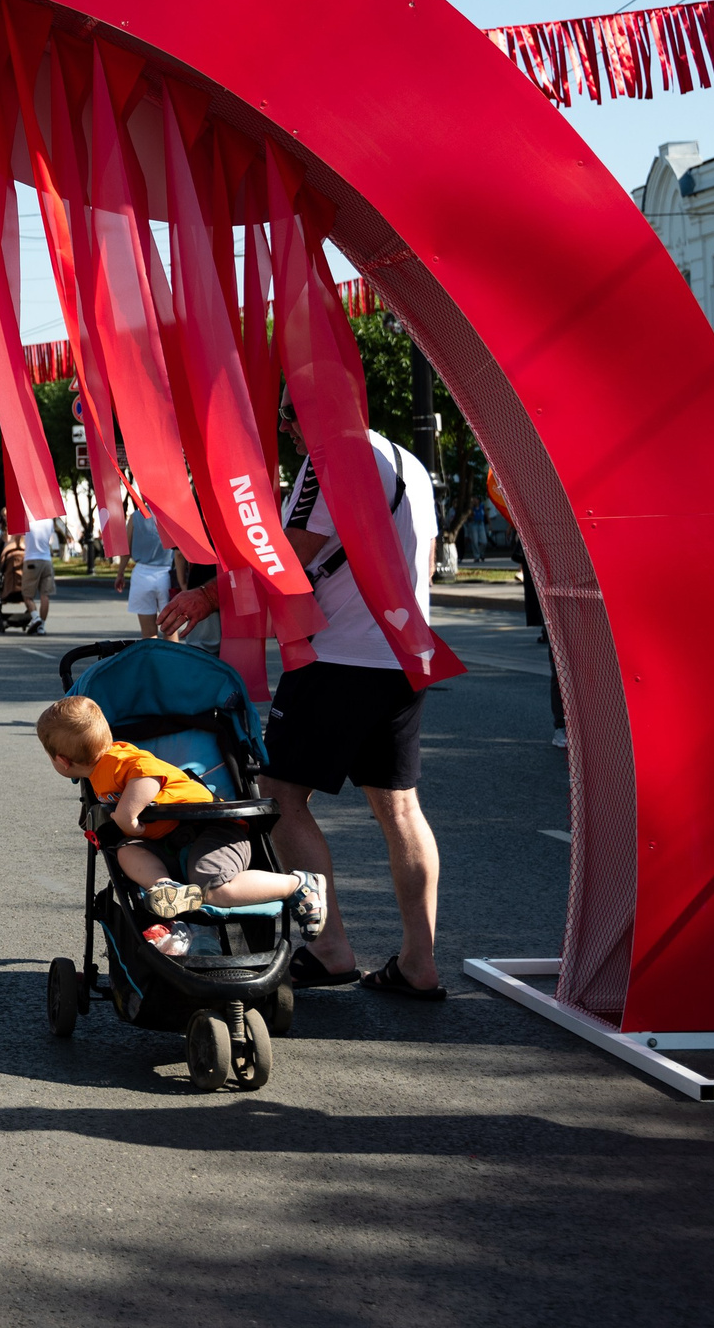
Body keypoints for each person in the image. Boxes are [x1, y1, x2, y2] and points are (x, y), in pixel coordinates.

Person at [159, 412, 442, 998]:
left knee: (282, 796)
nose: (288, 425)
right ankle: (420, 962)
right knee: (401, 810)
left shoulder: (331, 460)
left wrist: (208, 595)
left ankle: (331, 948)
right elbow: (427, 561)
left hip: (338, 656)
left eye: (291, 411)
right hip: (403, 651)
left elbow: (286, 555)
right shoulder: (409, 462)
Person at [36, 696, 325, 938]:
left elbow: (148, 775)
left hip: (213, 831)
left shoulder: (117, 760)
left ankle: (298, 883)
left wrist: (127, 815)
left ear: (62, 760)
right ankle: (165, 886)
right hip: (167, 840)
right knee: (127, 851)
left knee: (213, 888)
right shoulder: (101, 773)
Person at [120, 498, 174, 638]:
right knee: (170, 630)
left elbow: (126, 550)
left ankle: (153, 660)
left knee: (148, 634)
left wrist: (120, 573)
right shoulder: (172, 516)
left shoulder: (136, 517)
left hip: (142, 575)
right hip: (167, 574)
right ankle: (173, 660)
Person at [20, 511, 58, 635]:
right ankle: (42, 626)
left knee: (27, 595)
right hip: (46, 560)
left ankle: (35, 617)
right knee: (45, 595)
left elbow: (19, 538)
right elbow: (51, 541)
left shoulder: (27, 519)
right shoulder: (49, 521)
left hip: (31, 558)